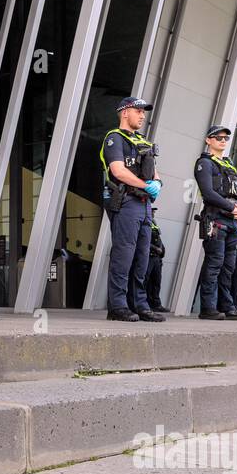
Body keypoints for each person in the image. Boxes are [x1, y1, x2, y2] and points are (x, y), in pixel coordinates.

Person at [100, 97, 164, 322]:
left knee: (142, 257)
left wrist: (157, 183)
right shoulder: (114, 138)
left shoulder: (142, 141)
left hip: (145, 205)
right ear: (125, 112)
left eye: (143, 111)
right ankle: (117, 306)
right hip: (126, 201)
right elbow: (118, 171)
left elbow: (154, 172)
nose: (142, 115)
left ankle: (140, 304)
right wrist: (146, 185)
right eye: (138, 110)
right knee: (123, 255)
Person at [194, 126, 237, 320]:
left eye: (226, 138)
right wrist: (232, 208)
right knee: (214, 264)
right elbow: (208, 193)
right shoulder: (204, 163)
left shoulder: (230, 164)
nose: (223, 141)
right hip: (216, 218)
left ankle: (227, 307)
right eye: (218, 137)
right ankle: (208, 308)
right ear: (208, 140)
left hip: (232, 222)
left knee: (229, 267)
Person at [128, 208, 167, 314]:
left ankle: (156, 304)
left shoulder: (153, 223)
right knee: (144, 281)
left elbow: (158, 238)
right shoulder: (143, 222)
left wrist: (162, 250)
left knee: (156, 282)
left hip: (156, 258)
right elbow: (142, 240)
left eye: (154, 212)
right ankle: (143, 304)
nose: (154, 213)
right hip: (148, 256)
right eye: (152, 211)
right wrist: (155, 248)